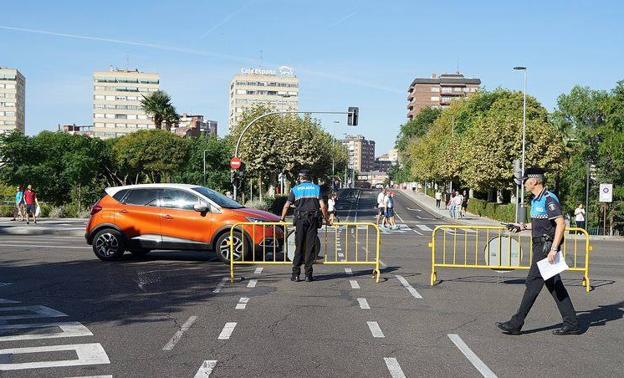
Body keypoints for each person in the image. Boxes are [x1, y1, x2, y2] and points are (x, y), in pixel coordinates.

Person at [497, 168, 581, 336]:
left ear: (534, 181)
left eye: (525, 180)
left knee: (533, 283)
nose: (523, 183)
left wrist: (554, 249)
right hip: (539, 246)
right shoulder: (536, 200)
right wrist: (522, 226)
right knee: (555, 286)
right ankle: (572, 323)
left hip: (545, 248)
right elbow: (540, 224)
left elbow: (561, 224)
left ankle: (516, 323)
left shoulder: (549, 199)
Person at [280, 170, 330, 282]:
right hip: (313, 220)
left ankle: (296, 274)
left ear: (300, 178)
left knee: (299, 246)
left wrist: (282, 218)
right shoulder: (316, 188)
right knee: (310, 247)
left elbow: (287, 205)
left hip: (300, 220)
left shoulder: (295, 189)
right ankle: (308, 275)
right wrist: (327, 219)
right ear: (309, 178)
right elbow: (323, 206)